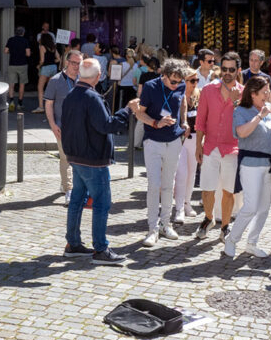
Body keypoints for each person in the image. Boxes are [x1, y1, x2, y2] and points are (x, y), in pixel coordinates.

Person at [61, 58, 134, 265]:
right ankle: (100, 249)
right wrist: (127, 110)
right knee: (101, 204)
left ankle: (73, 244)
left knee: (77, 200)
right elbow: (107, 125)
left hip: (76, 156)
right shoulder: (91, 97)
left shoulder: (72, 94)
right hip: (93, 159)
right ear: (98, 75)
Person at [224, 75, 271, 258]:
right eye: (264, 91)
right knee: (250, 206)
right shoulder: (241, 110)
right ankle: (231, 239)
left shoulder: (269, 110)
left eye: (268, 91)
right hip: (250, 163)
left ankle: (252, 243)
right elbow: (241, 133)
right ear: (253, 93)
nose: (268, 95)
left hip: (269, 163)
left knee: (264, 207)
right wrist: (260, 116)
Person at [131, 58, 188, 247]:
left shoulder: (180, 85)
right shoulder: (150, 86)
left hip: (173, 140)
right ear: (164, 75)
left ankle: (166, 224)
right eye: (173, 81)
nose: (176, 85)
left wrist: (184, 122)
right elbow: (140, 113)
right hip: (153, 141)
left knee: (168, 185)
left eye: (179, 82)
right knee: (154, 184)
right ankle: (152, 228)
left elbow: (183, 102)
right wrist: (156, 123)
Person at [194, 52, 244, 241]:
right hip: (211, 146)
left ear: (238, 70)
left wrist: (236, 101)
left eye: (232, 69)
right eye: (224, 69)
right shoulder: (208, 90)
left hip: (232, 148)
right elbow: (201, 121)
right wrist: (198, 146)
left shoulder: (244, 91)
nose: (228, 73)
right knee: (207, 189)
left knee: (228, 191)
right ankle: (208, 218)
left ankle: (225, 225)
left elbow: (244, 121)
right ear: (220, 69)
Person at [45, 51, 84, 205]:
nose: (76, 66)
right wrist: (53, 125)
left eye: (79, 63)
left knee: (79, 160)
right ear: (67, 62)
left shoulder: (84, 79)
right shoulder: (55, 81)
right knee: (65, 158)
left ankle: (68, 185)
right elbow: (48, 104)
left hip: (81, 127)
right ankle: (69, 189)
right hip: (62, 127)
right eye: (74, 63)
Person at [173, 68, 202, 223]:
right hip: (180, 140)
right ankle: (178, 208)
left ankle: (187, 203)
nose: (194, 83)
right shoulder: (178, 96)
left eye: (196, 80)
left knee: (192, 174)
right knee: (182, 174)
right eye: (192, 80)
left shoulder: (199, 95)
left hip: (196, 139)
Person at [5, 26, 32, 111]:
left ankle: (11, 102)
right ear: (23, 33)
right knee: (22, 84)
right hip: (22, 64)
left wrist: (12, 52)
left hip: (12, 64)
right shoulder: (25, 41)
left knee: (11, 84)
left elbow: (5, 51)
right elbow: (28, 54)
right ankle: (20, 104)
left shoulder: (10, 40)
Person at [34, 33, 59, 114]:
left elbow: (42, 60)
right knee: (50, 88)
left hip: (46, 68)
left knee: (40, 87)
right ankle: (52, 106)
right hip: (54, 67)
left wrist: (38, 66)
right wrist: (52, 62)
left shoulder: (42, 47)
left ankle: (41, 107)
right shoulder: (53, 47)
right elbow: (58, 58)